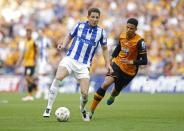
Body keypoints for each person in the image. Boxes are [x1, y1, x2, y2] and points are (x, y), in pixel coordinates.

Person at [43, 8, 112, 121]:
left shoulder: (101, 32)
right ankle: (48, 107)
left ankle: (82, 109)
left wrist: (107, 64)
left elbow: (105, 49)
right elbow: (69, 36)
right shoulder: (79, 26)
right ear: (88, 17)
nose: (95, 19)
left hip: (84, 66)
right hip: (70, 59)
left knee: (85, 94)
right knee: (58, 77)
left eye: (97, 17)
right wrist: (64, 45)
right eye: (93, 17)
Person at [89, 18, 148, 119]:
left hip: (129, 72)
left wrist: (131, 62)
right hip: (118, 64)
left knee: (116, 91)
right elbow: (118, 48)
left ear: (136, 29)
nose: (128, 30)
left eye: (131, 28)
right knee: (106, 83)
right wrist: (111, 58)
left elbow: (144, 61)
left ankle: (113, 96)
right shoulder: (122, 35)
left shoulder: (140, 42)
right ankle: (91, 111)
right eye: (127, 27)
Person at [18, 28, 38, 101]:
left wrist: (36, 61)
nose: (27, 34)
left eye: (29, 33)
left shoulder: (33, 42)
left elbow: (36, 51)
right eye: (27, 33)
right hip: (26, 63)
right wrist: (20, 61)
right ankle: (32, 92)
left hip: (31, 62)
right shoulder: (26, 41)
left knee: (28, 77)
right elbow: (24, 52)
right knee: (28, 79)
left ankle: (36, 90)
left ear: (31, 34)